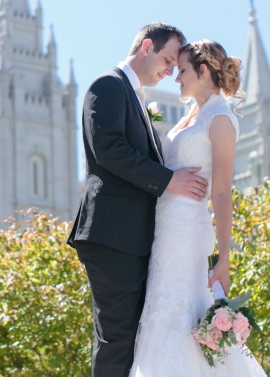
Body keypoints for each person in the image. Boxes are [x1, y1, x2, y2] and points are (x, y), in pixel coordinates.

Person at [68, 23, 210, 377]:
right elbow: (109, 149)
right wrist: (169, 181)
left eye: (176, 66)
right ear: (146, 46)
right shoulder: (108, 85)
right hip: (112, 234)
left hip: (132, 238)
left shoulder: (138, 100)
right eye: (166, 59)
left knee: (131, 338)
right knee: (116, 338)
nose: (169, 71)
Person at [129, 40, 266, 376]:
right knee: (162, 314)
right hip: (163, 232)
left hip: (188, 233)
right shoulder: (193, 115)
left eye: (183, 71)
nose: (177, 78)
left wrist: (223, 259)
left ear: (203, 72)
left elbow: (221, 193)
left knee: (178, 315)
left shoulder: (220, 119)